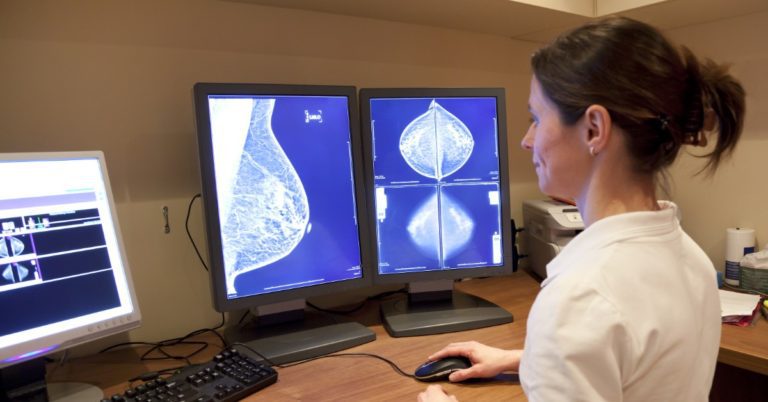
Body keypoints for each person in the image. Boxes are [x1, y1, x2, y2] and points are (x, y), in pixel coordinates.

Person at [418, 15, 745, 402]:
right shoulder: (690, 258)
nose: (527, 141)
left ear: (593, 129)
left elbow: (602, 328)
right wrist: (530, 359)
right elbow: (645, 371)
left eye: (537, 119)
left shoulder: (581, 296)